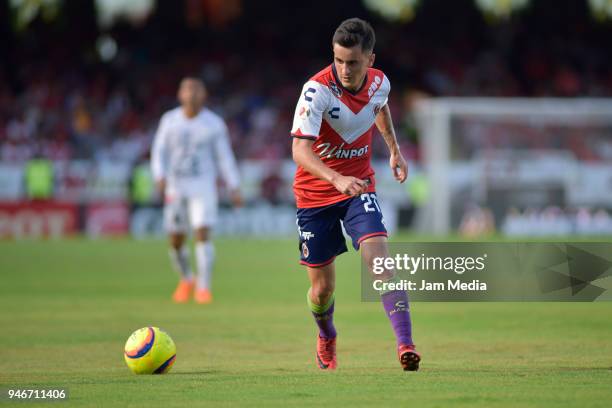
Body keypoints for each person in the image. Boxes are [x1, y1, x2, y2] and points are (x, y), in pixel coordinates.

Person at [291, 18, 420, 371]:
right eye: (339, 61)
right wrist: (335, 179)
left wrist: (394, 149)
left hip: (359, 187)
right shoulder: (315, 91)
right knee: (321, 292)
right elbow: (300, 152)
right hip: (315, 196)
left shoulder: (380, 84)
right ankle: (327, 335)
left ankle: (405, 345)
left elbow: (380, 106)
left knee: (380, 264)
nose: (344, 69)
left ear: (370, 60)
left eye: (353, 62)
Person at [151, 77, 242, 304]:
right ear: (180, 94)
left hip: (203, 185)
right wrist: (159, 175)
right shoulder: (170, 121)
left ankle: (203, 287)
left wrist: (234, 185)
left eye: (196, 90)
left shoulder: (213, 124)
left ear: (204, 95)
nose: (191, 94)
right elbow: (158, 151)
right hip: (176, 185)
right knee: (176, 239)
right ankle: (186, 279)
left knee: (202, 232)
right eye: (187, 90)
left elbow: (224, 157)